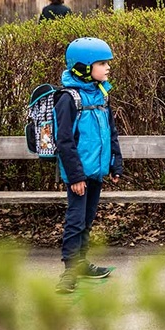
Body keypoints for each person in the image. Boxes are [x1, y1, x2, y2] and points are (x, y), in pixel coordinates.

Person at [55, 37, 124, 293]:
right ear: (84, 67)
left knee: (87, 218)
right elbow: (64, 141)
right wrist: (75, 176)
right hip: (79, 174)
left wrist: (116, 163)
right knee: (75, 220)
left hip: (96, 170)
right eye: (102, 63)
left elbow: (111, 132)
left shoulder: (101, 93)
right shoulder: (68, 98)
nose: (108, 68)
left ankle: (82, 262)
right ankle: (69, 272)